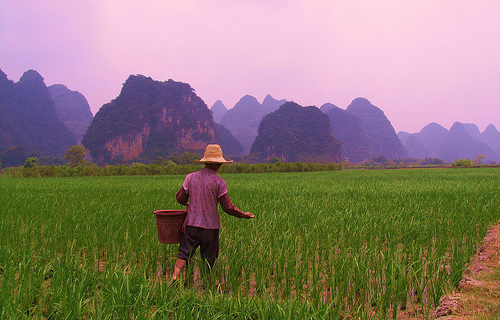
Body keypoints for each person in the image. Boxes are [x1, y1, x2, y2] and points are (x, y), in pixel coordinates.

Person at [172, 144, 254, 281]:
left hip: (192, 224)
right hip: (210, 228)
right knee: (209, 258)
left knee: (184, 253)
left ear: (205, 162)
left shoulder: (190, 177)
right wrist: (242, 214)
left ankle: (176, 275)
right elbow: (227, 207)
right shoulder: (219, 182)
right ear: (219, 165)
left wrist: (188, 201)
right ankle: (208, 284)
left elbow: (180, 198)